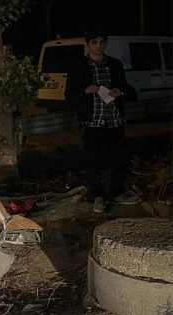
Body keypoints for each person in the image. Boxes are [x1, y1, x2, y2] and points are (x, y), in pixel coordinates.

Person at [65, 26, 140, 213]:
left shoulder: (114, 64)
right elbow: (68, 95)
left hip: (114, 120)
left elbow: (129, 90)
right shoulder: (79, 66)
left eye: (102, 42)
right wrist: (84, 91)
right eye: (94, 42)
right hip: (92, 122)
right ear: (88, 44)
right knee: (92, 161)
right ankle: (98, 195)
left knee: (121, 158)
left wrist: (119, 91)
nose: (99, 46)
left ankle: (116, 192)